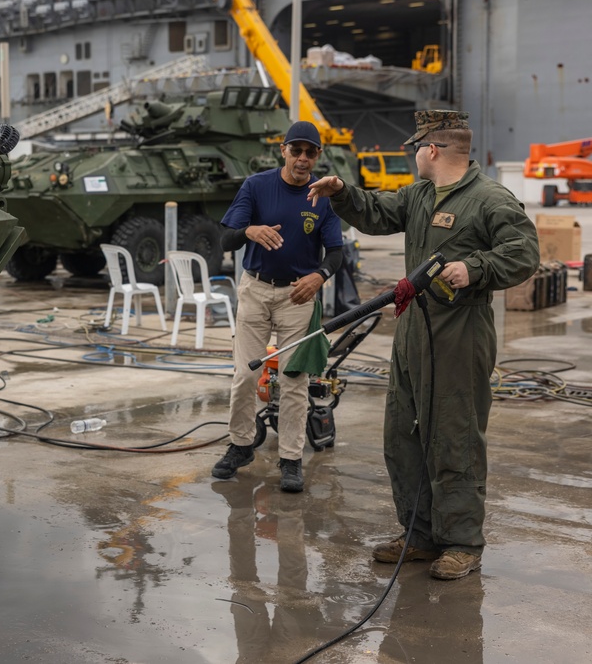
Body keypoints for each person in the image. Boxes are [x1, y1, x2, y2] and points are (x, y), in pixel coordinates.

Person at [307, 110, 540, 579]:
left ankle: (461, 542)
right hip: (414, 330)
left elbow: (524, 253)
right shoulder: (420, 195)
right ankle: (419, 532)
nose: (414, 153)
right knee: (402, 434)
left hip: (460, 333)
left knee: (454, 436)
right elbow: (376, 212)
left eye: (417, 146)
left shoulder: (489, 199)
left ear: (432, 149)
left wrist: (474, 268)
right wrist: (342, 194)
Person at [211, 121, 344, 492]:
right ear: (283, 150)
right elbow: (225, 238)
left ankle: (290, 459)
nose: (303, 158)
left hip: (297, 297)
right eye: (296, 150)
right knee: (245, 376)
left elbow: (335, 252)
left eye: (310, 152)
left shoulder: (323, 197)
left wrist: (320, 276)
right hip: (255, 290)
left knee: (294, 381)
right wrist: (249, 231)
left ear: (318, 155)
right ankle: (240, 446)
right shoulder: (256, 187)